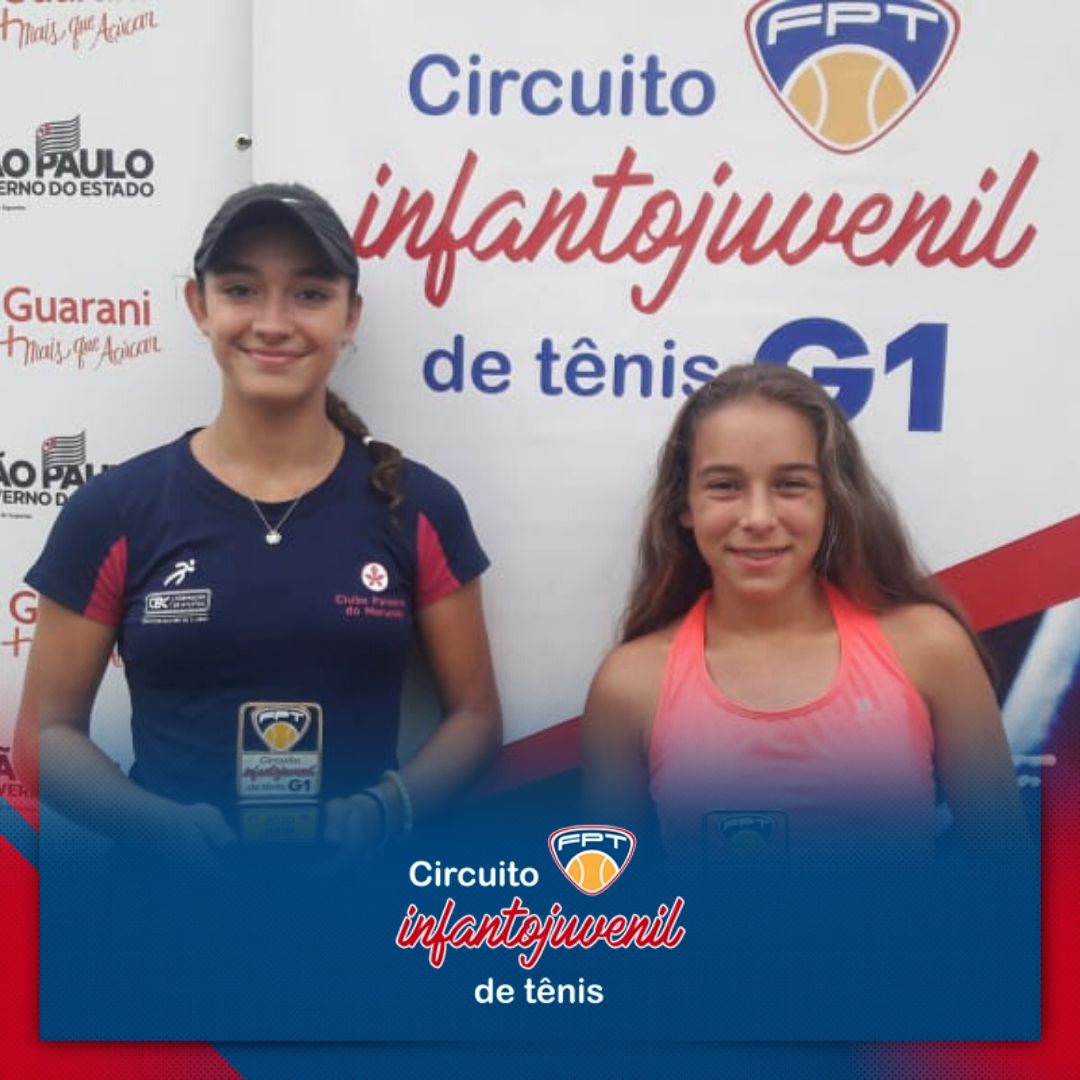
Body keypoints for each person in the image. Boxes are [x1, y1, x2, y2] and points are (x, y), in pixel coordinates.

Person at [14, 182, 501, 865]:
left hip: (352, 906)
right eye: (241, 290)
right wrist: (154, 826)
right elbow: (44, 736)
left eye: (310, 294)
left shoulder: (418, 506)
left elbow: (476, 718)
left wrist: (385, 810)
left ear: (350, 315)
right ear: (199, 305)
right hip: (171, 908)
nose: (273, 323)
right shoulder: (114, 511)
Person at [581, 363, 1025, 865]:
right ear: (683, 504)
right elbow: (610, 898)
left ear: (832, 498)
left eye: (791, 485)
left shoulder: (927, 649)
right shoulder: (630, 686)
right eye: (725, 485)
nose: (758, 518)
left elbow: (1005, 872)